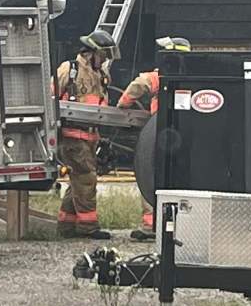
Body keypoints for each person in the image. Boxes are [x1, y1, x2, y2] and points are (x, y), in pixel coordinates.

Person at [118, 36, 191, 242]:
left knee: (150, 175)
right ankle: (176, 224)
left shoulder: (160, 77)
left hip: (159, 135)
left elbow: (137, 86)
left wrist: (123, 105)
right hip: (184, 136)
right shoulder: (193, 77)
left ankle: (152, 225)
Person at [55, 30, 120, 239]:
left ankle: (66, 226)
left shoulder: (101, 75)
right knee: (86, 180)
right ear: (91, 53)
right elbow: (51, 98)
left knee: (78, 181)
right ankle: (88, 228)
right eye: (103, 56)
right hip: (73, 137)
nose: (104, 61)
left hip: (91, 137)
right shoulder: (70, 70)